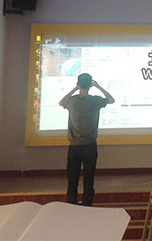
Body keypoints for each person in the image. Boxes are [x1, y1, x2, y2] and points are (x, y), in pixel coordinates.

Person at [58, 73, 115, 206]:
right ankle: (87, 205)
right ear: (90, 85)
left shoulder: (72, 101)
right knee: (89, 178)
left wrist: (75, 88)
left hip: (74, 146)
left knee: (72, 179)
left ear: (78, 84)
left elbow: (61, 102)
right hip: (90, 145)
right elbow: (111, 100)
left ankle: (71, 204)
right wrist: (98, 86)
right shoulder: (95, 101)